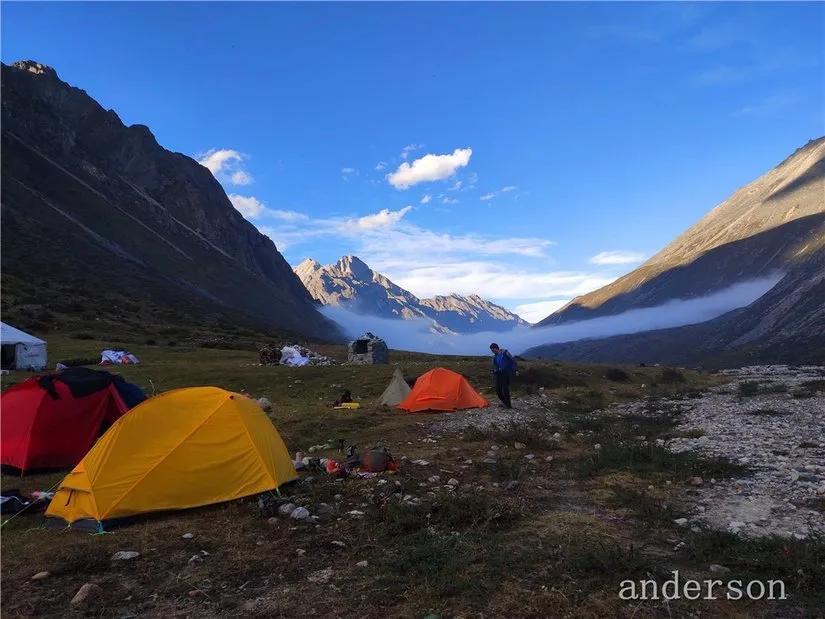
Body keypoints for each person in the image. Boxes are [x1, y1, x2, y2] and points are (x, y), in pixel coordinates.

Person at [490, 343, 517, 408]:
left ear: (496, 348)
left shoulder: (505, 352)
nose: (492, 351)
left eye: (493, 350)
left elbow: (513, 361)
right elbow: (496, 366)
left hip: (506, 373)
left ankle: (508, 405)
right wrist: (494, 371)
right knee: (498, 390)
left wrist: (516, 370)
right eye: (491, 350)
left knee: (505, 389)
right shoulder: (495, 357)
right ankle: (504, 402)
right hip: (499, 374)